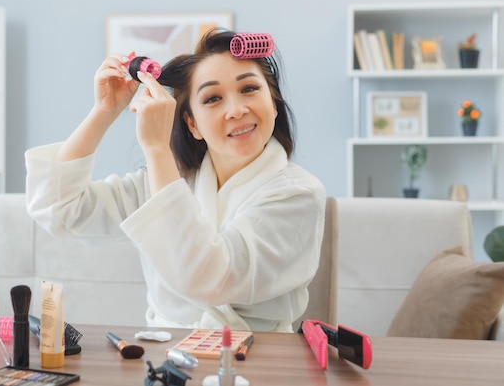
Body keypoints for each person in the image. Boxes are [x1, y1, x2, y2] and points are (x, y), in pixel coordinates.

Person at [25, 29, 326, 332]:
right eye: (213, 98)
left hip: (261, 360)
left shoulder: (298, 194)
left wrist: (157, 149)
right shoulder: (165, 181)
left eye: (249, 89)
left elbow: (208, 278)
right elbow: (58, 210)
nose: (237, 110)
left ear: (273, 103)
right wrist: (104, 111)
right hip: (166, 354)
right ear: (192, 124)